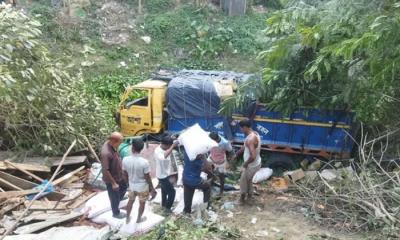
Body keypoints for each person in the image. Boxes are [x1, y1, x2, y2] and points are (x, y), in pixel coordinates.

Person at [123, 138, 157, 223]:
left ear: (132, 148)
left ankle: (127, 218)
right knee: (142, 203)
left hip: (132, 185)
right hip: (142, 187)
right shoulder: (144, 162)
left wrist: (127, 184)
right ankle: (138, 219)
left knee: (130, 201)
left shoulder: (125, 159)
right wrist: (152, 188)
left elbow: (125, 174)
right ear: (141, 149)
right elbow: (147, 177)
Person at [234, 119, 262, 204]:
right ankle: (250, 196)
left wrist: (245, 164)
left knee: (243, 181)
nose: (240, 130)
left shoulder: (250, 139)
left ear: (245, 127)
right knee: (248, 180)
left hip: (251, 165)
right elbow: (245, 146)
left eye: (241, 128)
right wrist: (237, 154)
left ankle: (242, 199)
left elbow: (252, 156)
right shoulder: (254, 134)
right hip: (256, 163)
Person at [100, 132, 127, 219]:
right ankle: (116, 213)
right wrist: (113, 183)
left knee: (124, 186)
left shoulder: (111, 144)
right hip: (112, 178)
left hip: (118, 174)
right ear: (114, 141)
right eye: (119, 143)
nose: (120, 145)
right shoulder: (106, 153)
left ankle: (119, 198)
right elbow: (105, 170)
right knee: (114, 195)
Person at [154, 135, 179, 214]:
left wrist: (173, 138)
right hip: (162, 176)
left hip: (164, 174)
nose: (169, 148)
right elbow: (163, 157)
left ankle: (164, 205)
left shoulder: (163, 146)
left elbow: (168, 137)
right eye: (168, 146)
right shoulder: (158, 151)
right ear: (165, 144)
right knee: (172, 192)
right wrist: (173, 146)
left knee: (164, 191)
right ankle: (167, 209)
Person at [208, 132, 234, 196]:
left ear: (216, 140)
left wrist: (230, 163)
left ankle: (221, 191)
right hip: (211, 158)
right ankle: (211, 185)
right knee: (208, 172)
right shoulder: (210, 139)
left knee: (221, 176)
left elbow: (231, 152)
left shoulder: (225, 143)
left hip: (220, 162)